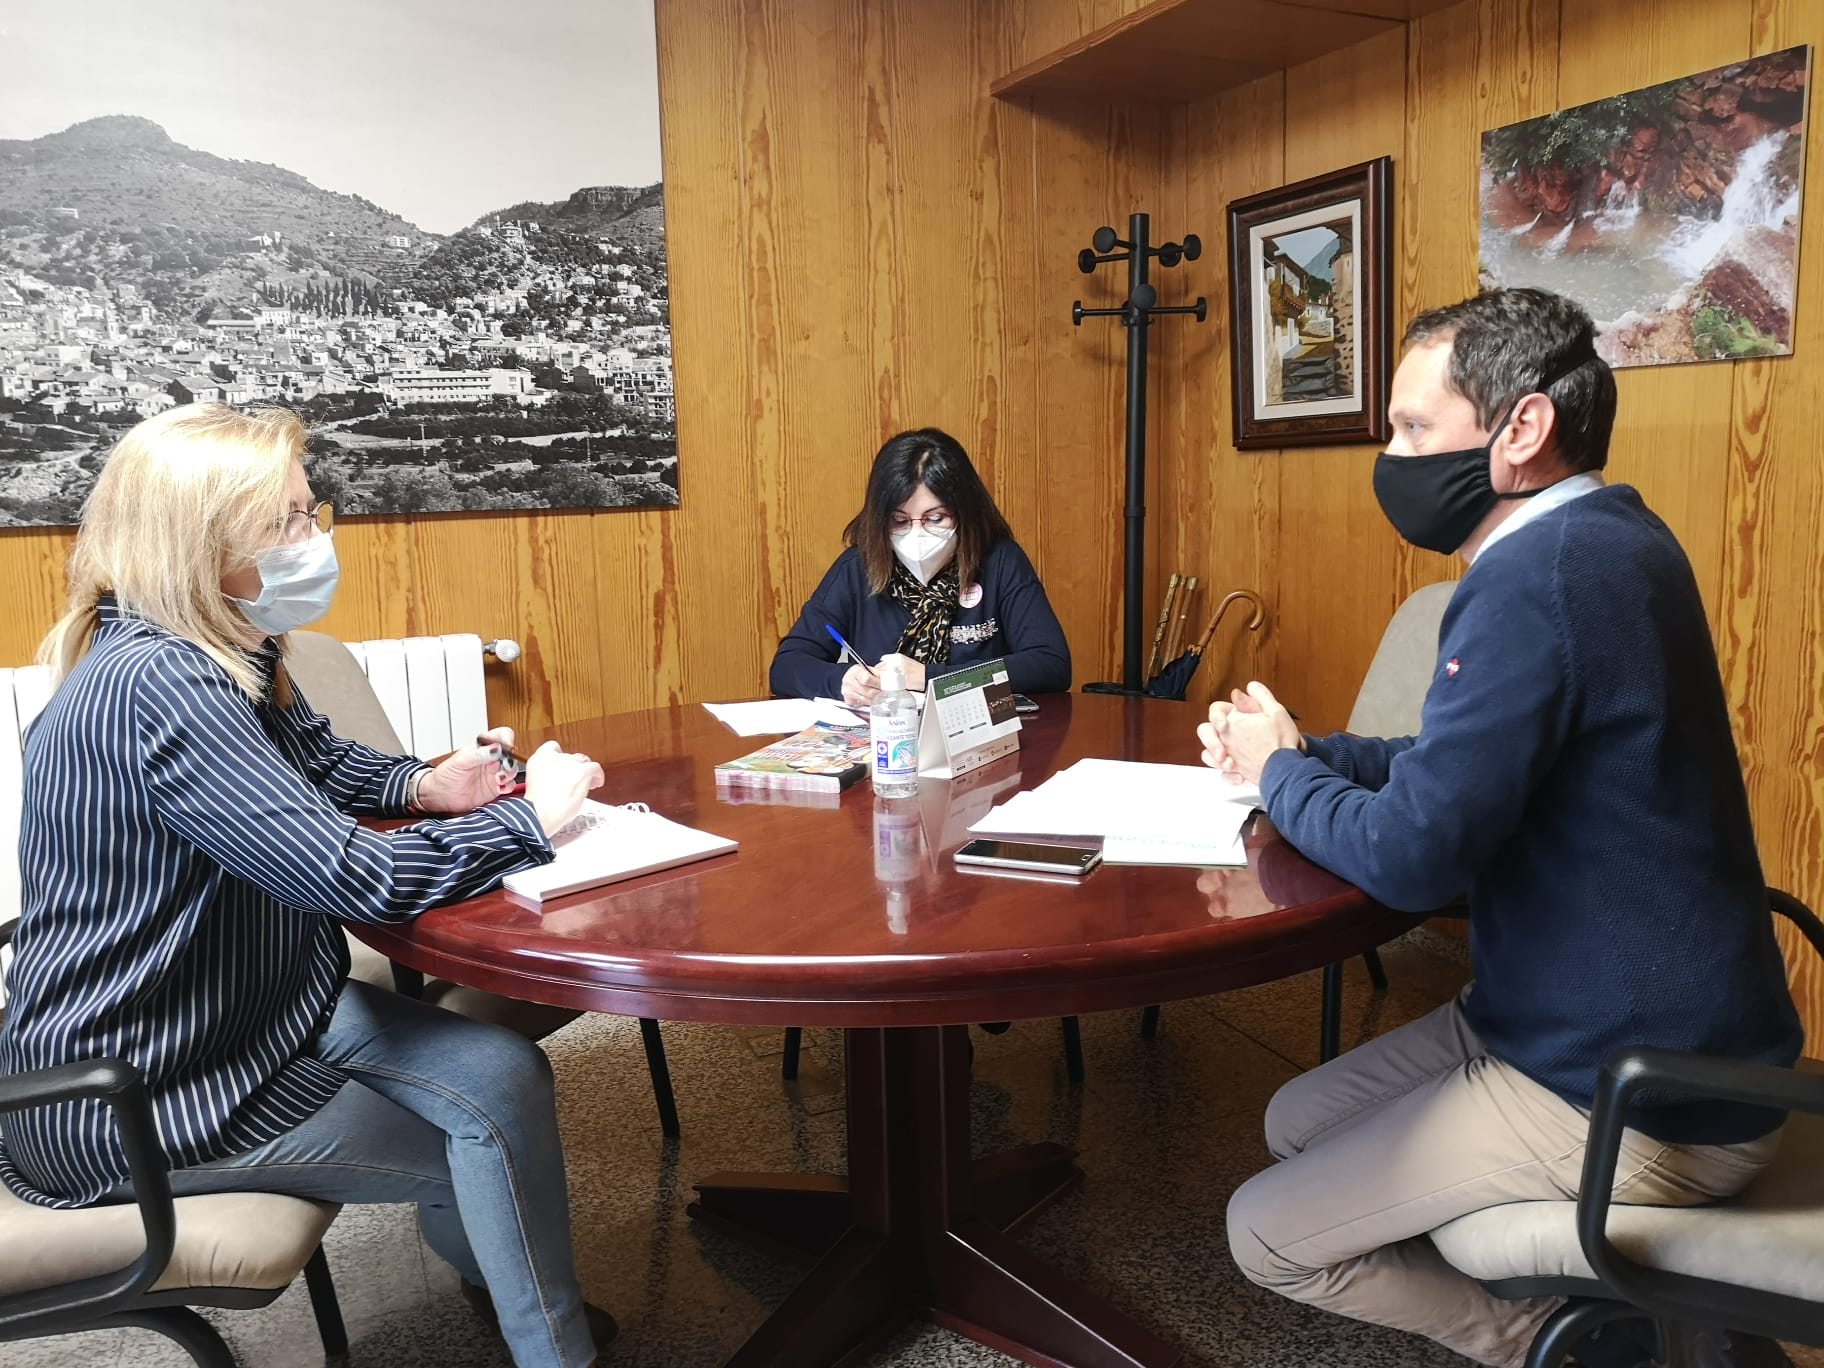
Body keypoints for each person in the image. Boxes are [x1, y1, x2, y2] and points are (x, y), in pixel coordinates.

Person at [1197, 289, 1801, 1368]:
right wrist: (1312, 753)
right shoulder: (1612, 537)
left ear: (1521, 428)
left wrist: (1279, 774)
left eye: (1413, 428)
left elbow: (1416, 852)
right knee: (1295, 1119)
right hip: (1599, 1023)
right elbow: (1462, 773)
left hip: (1634, 1089)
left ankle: (1547, 1343)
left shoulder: (1537, 580)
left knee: (1265, 1233)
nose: (1391, 453)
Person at [0, 404, 615, 1368]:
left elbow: (316, 762)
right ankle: (555, 1350)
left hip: (247, 1014)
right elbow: (350, 875)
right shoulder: (163, 686)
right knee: (490, 1133)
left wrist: (423, 783)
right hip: (143, 1091)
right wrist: (527, 822)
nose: (314, 537)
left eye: (306, 510)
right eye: (289, 520)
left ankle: (508, 1294)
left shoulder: (209, 647)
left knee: (500, 1072)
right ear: (205, 544)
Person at [769, 427, 1070, 705]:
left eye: (936, 518)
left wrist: (930, 678)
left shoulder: (999, 561)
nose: (917, 533)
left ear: (963, 511)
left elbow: (1050, 665)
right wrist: (841, 680)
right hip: (885, 743)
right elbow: (786, 665)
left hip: (979, 743)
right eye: (899, 521)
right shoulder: (858, 568)